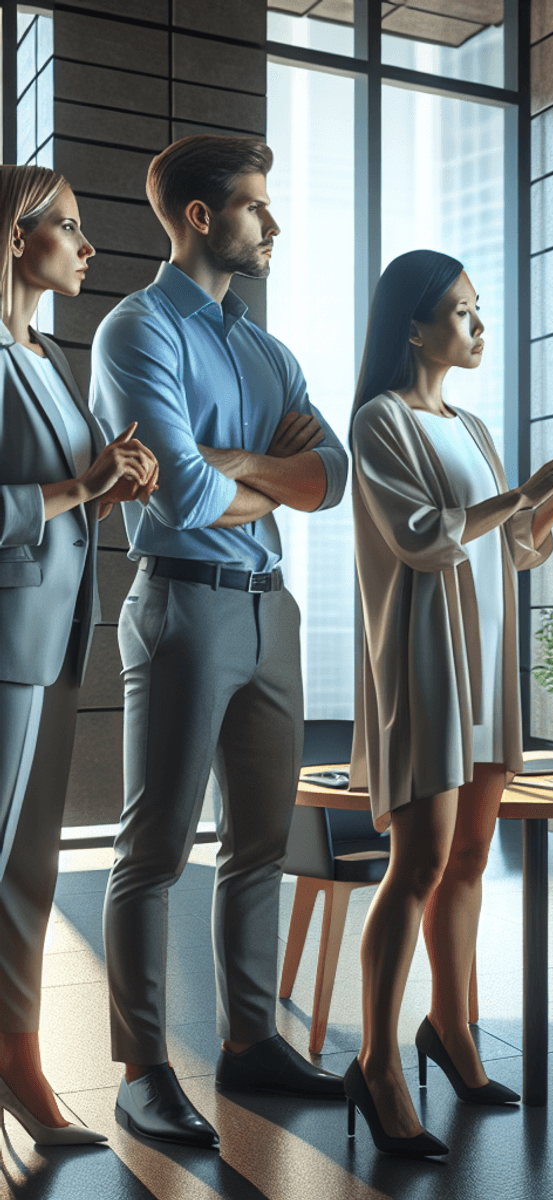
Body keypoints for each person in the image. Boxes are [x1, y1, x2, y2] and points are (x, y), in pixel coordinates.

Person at [91, 135, 349, 1150]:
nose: (270, 224)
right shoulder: (135, 331)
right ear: (200, 217)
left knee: (257, 844)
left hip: (268, 606)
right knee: (154, 851)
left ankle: (251, 1044)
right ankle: (142, 1069)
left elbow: (328, 475)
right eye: (253, 206)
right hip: (183, 607)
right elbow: (182, 495)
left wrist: (225, 461)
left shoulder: (265, 347)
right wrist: (247, 475)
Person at [346, 250, 553, 1157]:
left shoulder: (473, 426)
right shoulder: (380, 424)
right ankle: (377, 1062)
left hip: (489, 668)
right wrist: (521, 495)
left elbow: (515, 549)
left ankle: (451, 1031)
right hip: (428, 664)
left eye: (477, 309)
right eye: (460, 311)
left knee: (469, 860)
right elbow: (425, 540)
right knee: (416, 864)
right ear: (413, 327)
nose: (476, 324)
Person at [0, 165, 158, 1146]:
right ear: (18, 238)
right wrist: (74, 490)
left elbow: (70, 486)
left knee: (29, 875)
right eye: (69, 226)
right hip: (3, 649)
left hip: (53, 643)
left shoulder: (47, 356)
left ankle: (21, 1073)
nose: (88, 246)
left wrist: (113, 485)